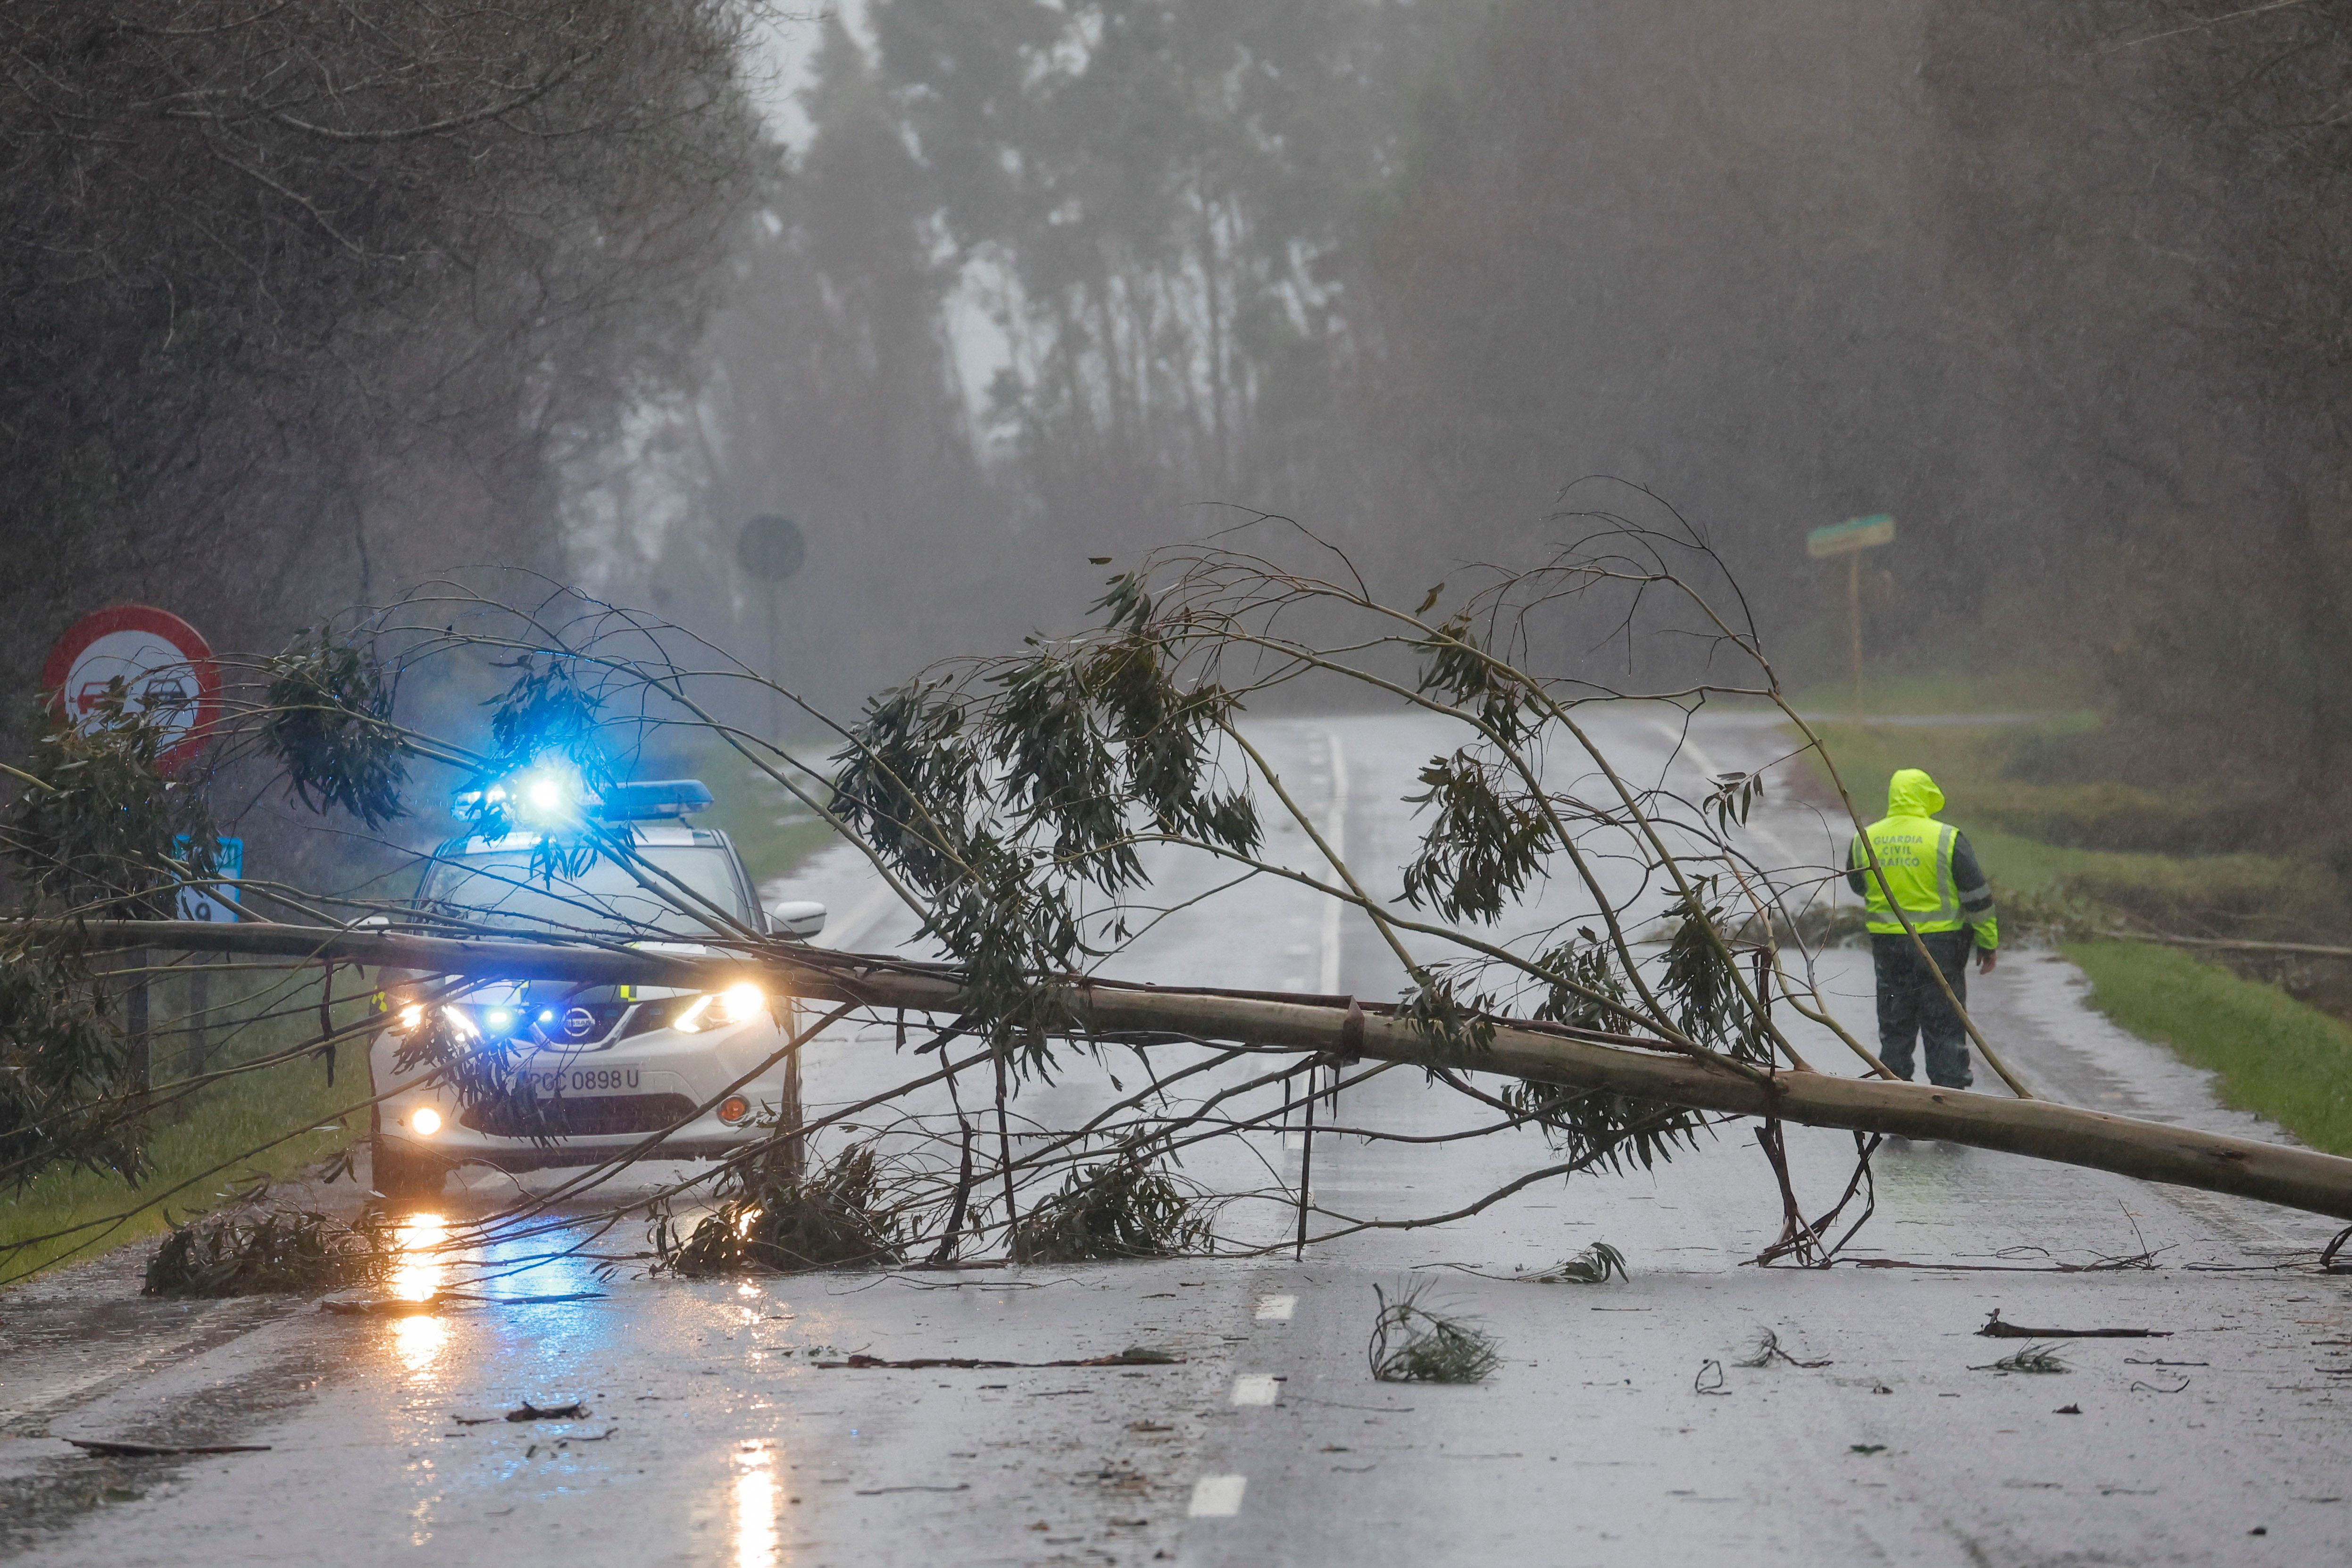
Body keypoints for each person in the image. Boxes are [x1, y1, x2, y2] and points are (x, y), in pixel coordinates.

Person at [1846, 767, 1997, 1089]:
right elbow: (1978, 898)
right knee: (1944, 1023)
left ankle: (1896, 1094)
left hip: (1889, 948)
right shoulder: (1947, 838)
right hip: (1942, 947)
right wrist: (1988, 943)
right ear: (1927, 796)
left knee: (1895, 1024)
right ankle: (1947, 1100)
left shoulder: (1866, 837)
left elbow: (1858, 885)